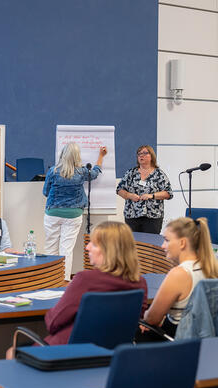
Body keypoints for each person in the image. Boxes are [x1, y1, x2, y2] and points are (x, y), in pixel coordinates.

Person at [43, 221, 148, 345]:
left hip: (69, 352)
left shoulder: (85, 279)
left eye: (94, 244)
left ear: (109, 250)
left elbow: (53, 322)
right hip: (112, 353)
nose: (87, 247)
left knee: (14, 350)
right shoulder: (140, 283)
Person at [137, 217, 218, 341]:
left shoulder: (179, 274)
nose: (162, 246)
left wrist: (152, 319)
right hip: (206, 340)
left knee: (138, 328)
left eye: (167, 240)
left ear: (182, 243)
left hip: (180, 340)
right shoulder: (211, 267)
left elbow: (152, 318)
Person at [43, 143, 107, 281]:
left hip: (53, 213)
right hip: (73, 214)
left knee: (50, 247)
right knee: (66, 249)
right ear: (77, 156)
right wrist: (100, 157)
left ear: (62, 155)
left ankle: (50, 279)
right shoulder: (82, 171)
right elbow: (95, 173)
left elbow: (45, 192)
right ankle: (64, 279)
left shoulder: (53, 171)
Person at [116, 145, 173, 234]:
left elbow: (168, 193)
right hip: (132, 215)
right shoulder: (131, 173)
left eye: (145, 153)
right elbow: (119, 189)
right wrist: (129, 195)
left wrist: (152, 196)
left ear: (152, 156)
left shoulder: (159, 174)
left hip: (153, 216)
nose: (141, 156)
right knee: (133, 244)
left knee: (150, 245)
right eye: (139, 154)